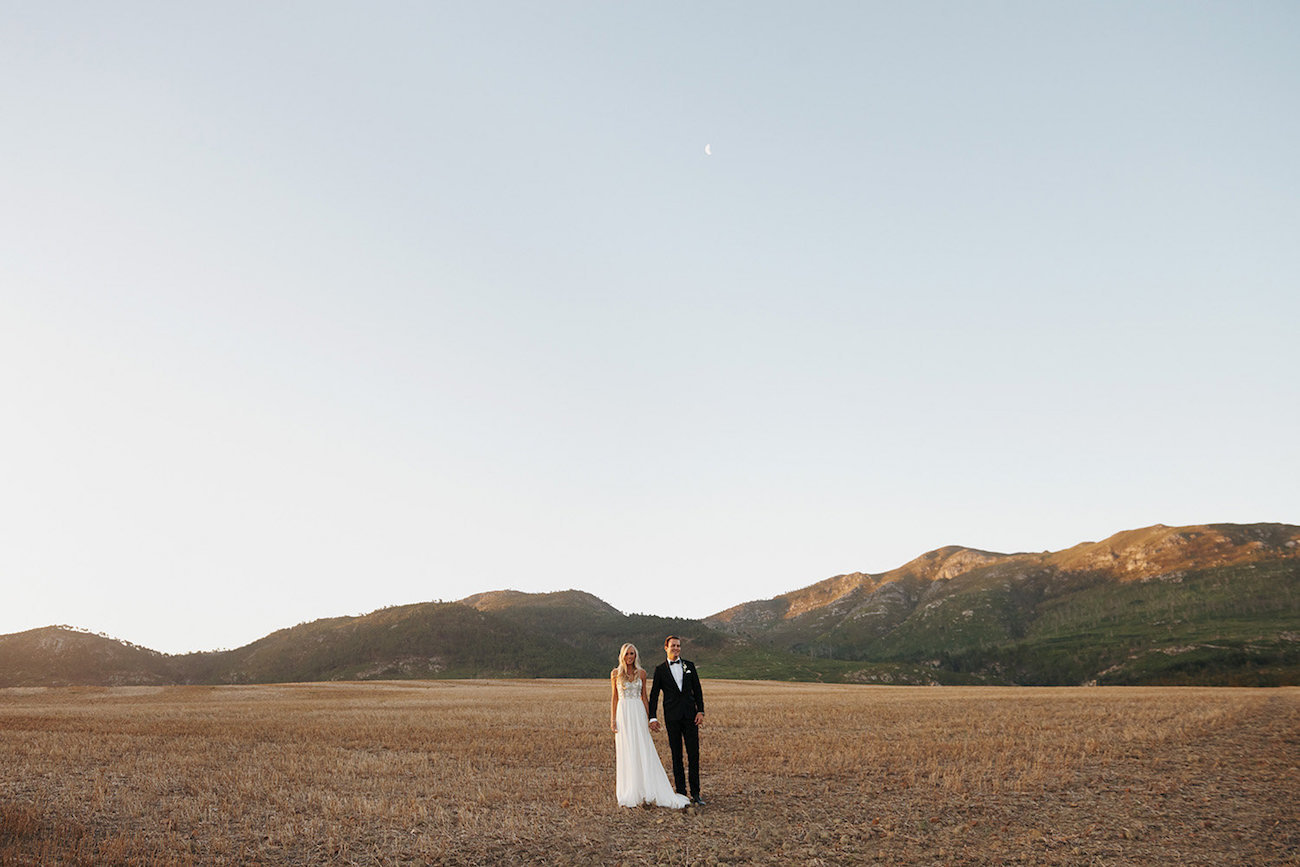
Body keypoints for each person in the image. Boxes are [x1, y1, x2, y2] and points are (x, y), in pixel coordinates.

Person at [610, 643, 690, 809]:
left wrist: (650, 718)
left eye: (632, 654)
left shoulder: (642, 673)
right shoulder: (615, 673)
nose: (630, 657)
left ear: (636, 655)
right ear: (622, 655)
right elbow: (614, 698)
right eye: (627, 654)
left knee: (643, 748)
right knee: (628, 749)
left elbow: (644, 697)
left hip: (638, 713)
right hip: (623, 713)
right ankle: (631, 791)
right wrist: (612, 719)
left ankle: (649, 789)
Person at [647, 635, 705, 805]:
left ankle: (696, 793)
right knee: (676, 755)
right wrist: (652, 717)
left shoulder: (690, 666)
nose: (676, 648)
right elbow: (654, 695)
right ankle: (681, 793)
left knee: (694, 755)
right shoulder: (660, 670)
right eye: (673, 646)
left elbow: (698, 690)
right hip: (672, 717)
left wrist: (700, 711)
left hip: (690, 716)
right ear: (666, 647)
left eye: (678, 646)